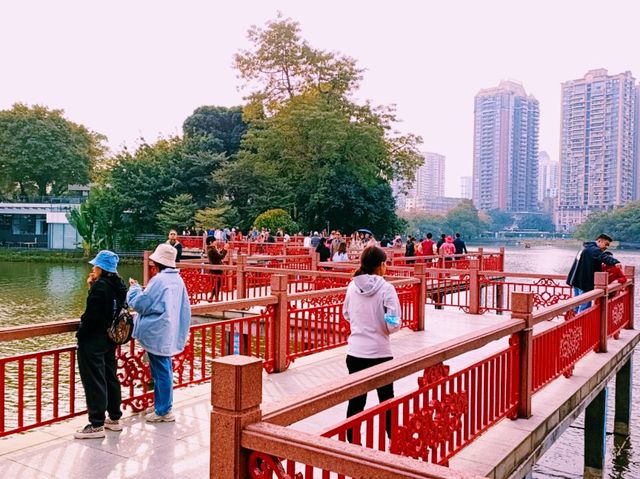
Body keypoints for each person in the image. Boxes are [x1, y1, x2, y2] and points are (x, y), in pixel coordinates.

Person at [343, 246, 401, 443]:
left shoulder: (352, 286)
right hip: (380, 352)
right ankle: (393, 439)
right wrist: (385, 326)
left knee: (356, 400)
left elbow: (346, 314)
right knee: (386, 400)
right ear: (381, 265)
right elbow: (393, 323)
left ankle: (352, 444)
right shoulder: (386, 288)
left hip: (355, 352)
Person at [127, 243, 191, 423]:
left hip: (158, 332)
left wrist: (134, 289)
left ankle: (164, 410)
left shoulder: (159, 280)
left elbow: (141, 304)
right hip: (169, 331)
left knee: (161, 371)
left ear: (158, 263)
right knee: (164, 369)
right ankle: (161, 406)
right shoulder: (178, 280)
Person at [75, 250, 127, 439]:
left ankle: (96, 423)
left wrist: (80, 334)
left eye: (95, 265)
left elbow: (92, 317)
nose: (93, 268)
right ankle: (114, 418)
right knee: (109, 376)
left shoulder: (101, 287)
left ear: (101, 268)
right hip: (110, 339)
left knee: (94, 379)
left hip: (93, 340)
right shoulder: (119, 286)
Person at [567, 234, 621, 312]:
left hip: (576, 281)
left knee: (577, 305)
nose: (606, 247)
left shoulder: (585, 247)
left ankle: (575, 322)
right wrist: (615, 262)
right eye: (606, 244)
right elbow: (603, 257)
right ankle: (581, 324)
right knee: (584, 308)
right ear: (599, 241)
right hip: (584, 283)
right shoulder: (594, 250)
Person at [206, 236, 230, 301]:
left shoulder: (211, 249)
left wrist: (224, 249)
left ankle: (213, 298)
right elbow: (221, 257)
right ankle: (213, 298)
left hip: (216, 268)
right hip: (216, 269)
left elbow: (218, 255)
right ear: (211, 242)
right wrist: (225, 249)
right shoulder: (211, 250)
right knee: (217, 283)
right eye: (215, 241)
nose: (216, 242)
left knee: (217, 284)